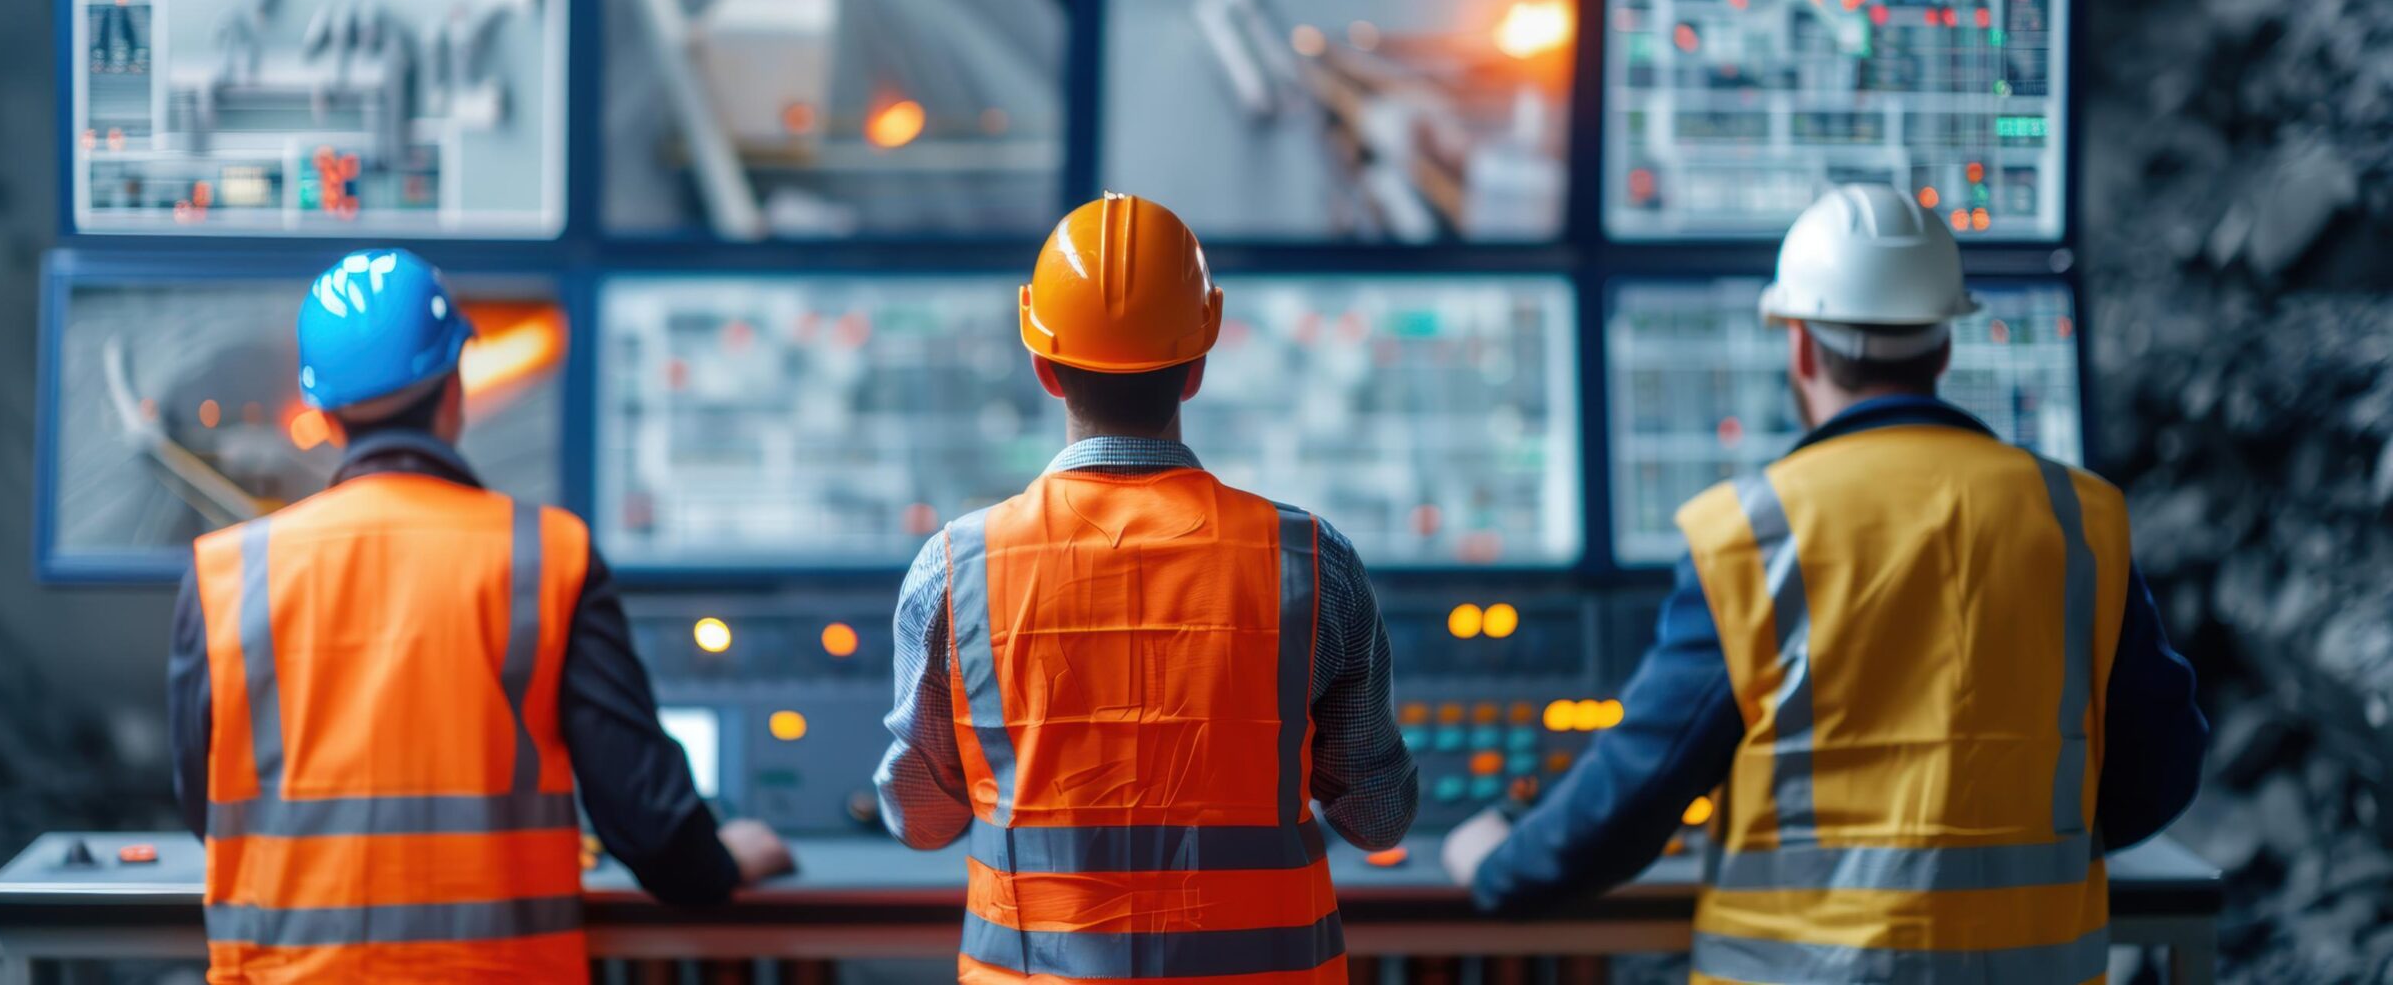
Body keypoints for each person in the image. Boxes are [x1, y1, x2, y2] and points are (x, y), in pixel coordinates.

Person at [1441, 185, 2208, 981]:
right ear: (1944, 345)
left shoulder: (1749, 533)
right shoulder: (2078, 518)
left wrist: (1499, 861)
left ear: (1801, 348)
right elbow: (2162, 770)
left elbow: (1636, 795)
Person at [167, 249, 791, 984]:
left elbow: (210, 808)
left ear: (325, 417)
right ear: (454, 387)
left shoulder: (228, 573)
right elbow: (647, 822)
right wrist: (721, 860)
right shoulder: (547, 556)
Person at [875, 194, 1419, 984]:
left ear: (1043, 367)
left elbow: (920, 821)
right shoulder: (1312, 561)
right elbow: (1378, 817)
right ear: (1197, 365)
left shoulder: (956, 569)